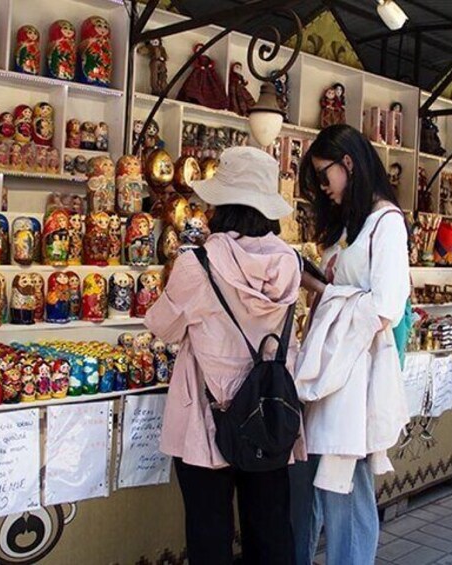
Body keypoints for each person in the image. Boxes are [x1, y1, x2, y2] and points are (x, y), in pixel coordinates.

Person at [145, 146, 303, 565]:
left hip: (207, 416)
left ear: (221, 202)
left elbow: (163, 327)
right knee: (271, 529)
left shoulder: (198, 263)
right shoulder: (290, 264)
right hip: (269, 411)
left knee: (209, 532)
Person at [291, 124, 410, 564]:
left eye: (326, 176)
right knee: (318, 486)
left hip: (356, 378)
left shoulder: (387, 224)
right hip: (333, 370)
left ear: (349, 164)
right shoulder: (353, 225)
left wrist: (324, 290)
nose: (324, 188)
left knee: (346, 488)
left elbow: (386, 307)